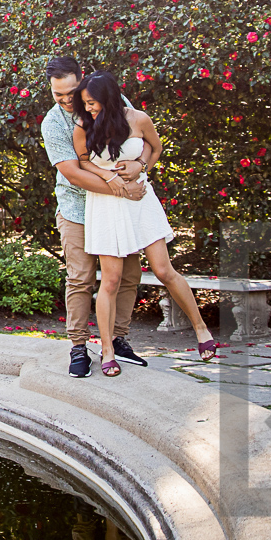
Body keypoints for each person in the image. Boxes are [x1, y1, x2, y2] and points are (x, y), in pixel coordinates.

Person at [75, 70, 216, 375]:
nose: (88, 108)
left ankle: (202, 329)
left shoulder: (138, 119)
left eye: (92, 102)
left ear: (109, 99)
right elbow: (84, 161)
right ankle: (108, 350)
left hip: (141, 202)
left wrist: (141, 166)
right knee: (110, 281)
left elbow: (156, 147)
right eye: (84, 103)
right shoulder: (84, 124)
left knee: (164, 270)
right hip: (106, 205)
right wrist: (111, 177)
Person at [43, 55, 155, 378]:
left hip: (118, 208)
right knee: (80, 278)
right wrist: (120, 187)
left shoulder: (107, 97)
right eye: (57, 94)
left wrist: (141, 165)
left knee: (128, 274)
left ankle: (119, 339)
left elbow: (143, 139)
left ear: (82, 80)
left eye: (71, 92)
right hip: (77, 209)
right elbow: (74, 174)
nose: (66, 100)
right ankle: (79, 347)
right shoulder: (52, 124)